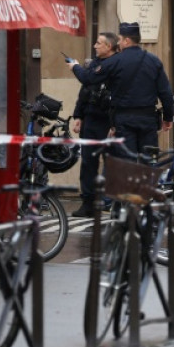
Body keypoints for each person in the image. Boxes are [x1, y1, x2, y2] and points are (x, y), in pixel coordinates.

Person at [67, 22, 174, 154]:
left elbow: (88, 79)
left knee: (126, 163)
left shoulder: (115, 61)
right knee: (148, 163)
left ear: (127, 41)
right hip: (148, 120)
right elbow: (166, 93)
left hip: (124, 121)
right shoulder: (154, 61)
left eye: (120, 39)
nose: (118, 43)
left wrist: (75, 67)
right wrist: (168, 118)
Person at [70, 32, 119, 217]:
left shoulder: (115, 65)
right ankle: (88, 202)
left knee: (112, 163)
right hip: (90, 119)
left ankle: (110, 202)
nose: (95, 46)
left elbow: (87, 79)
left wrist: (75, 67)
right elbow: (85, 91)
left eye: (99, 43)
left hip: (108, 121)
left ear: (109, 47)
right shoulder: (94, 64)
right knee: (88, 163)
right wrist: (78, 115)